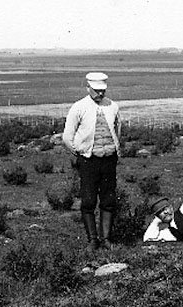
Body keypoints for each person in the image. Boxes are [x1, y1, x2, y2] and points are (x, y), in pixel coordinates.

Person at [63, 72, 121, 250]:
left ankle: (106, 239)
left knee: (108, 199)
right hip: (89, 161)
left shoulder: (112, 106)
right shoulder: (79, 107)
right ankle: (92, 240)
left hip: (109, 160)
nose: (100, 93)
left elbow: (117, 130)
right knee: (88, 200)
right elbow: (67, 137)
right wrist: (81, 153)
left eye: (103, 90)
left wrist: (114, 150)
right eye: (96, 90)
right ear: (88, 87)